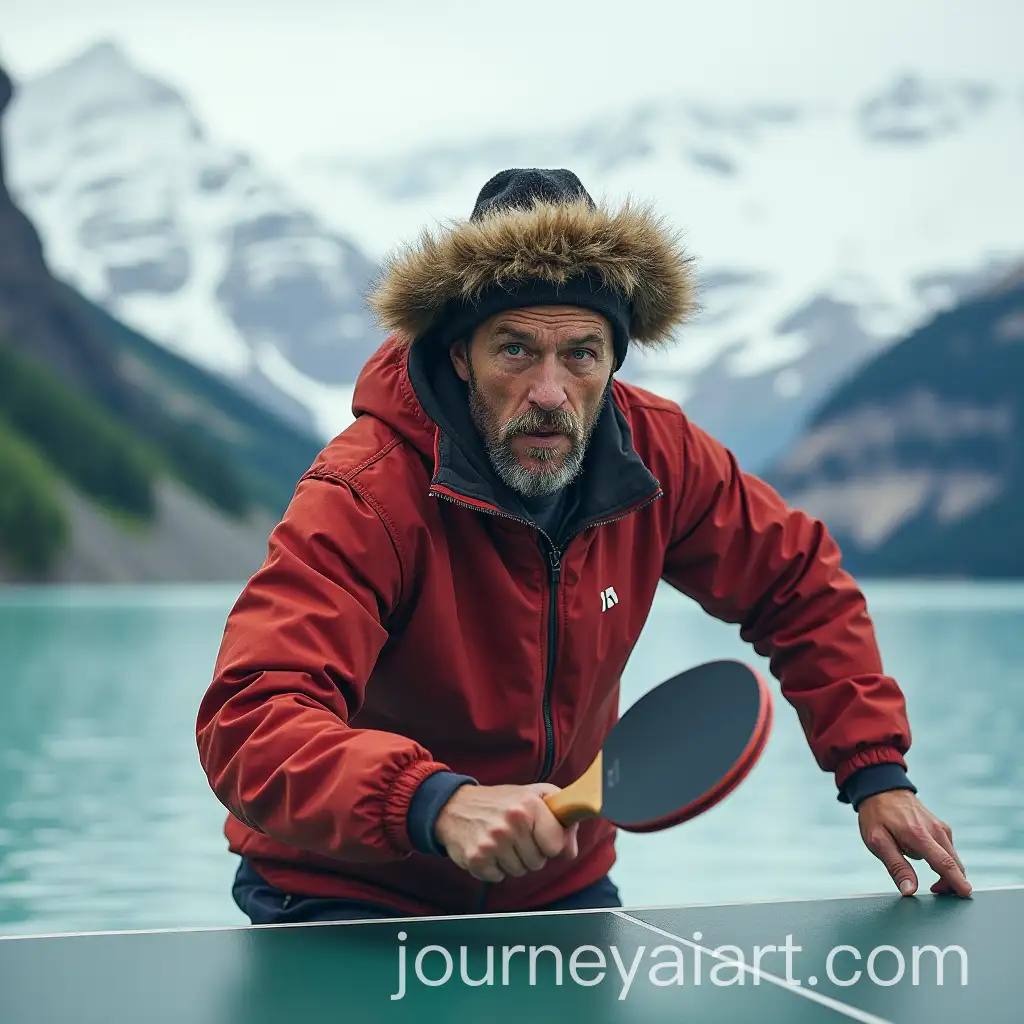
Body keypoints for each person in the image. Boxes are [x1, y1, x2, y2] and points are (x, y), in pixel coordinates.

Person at [196, 168, 970, 926]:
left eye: (581, 354)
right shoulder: (368, 493)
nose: (549, 391)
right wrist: (433, 803)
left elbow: (798, 584)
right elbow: (251, 720)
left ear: (613, 361)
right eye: (515, 351)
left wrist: (876, 771)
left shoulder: (659, 456)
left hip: (557, 890)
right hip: (350, 895)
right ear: (460, 355)